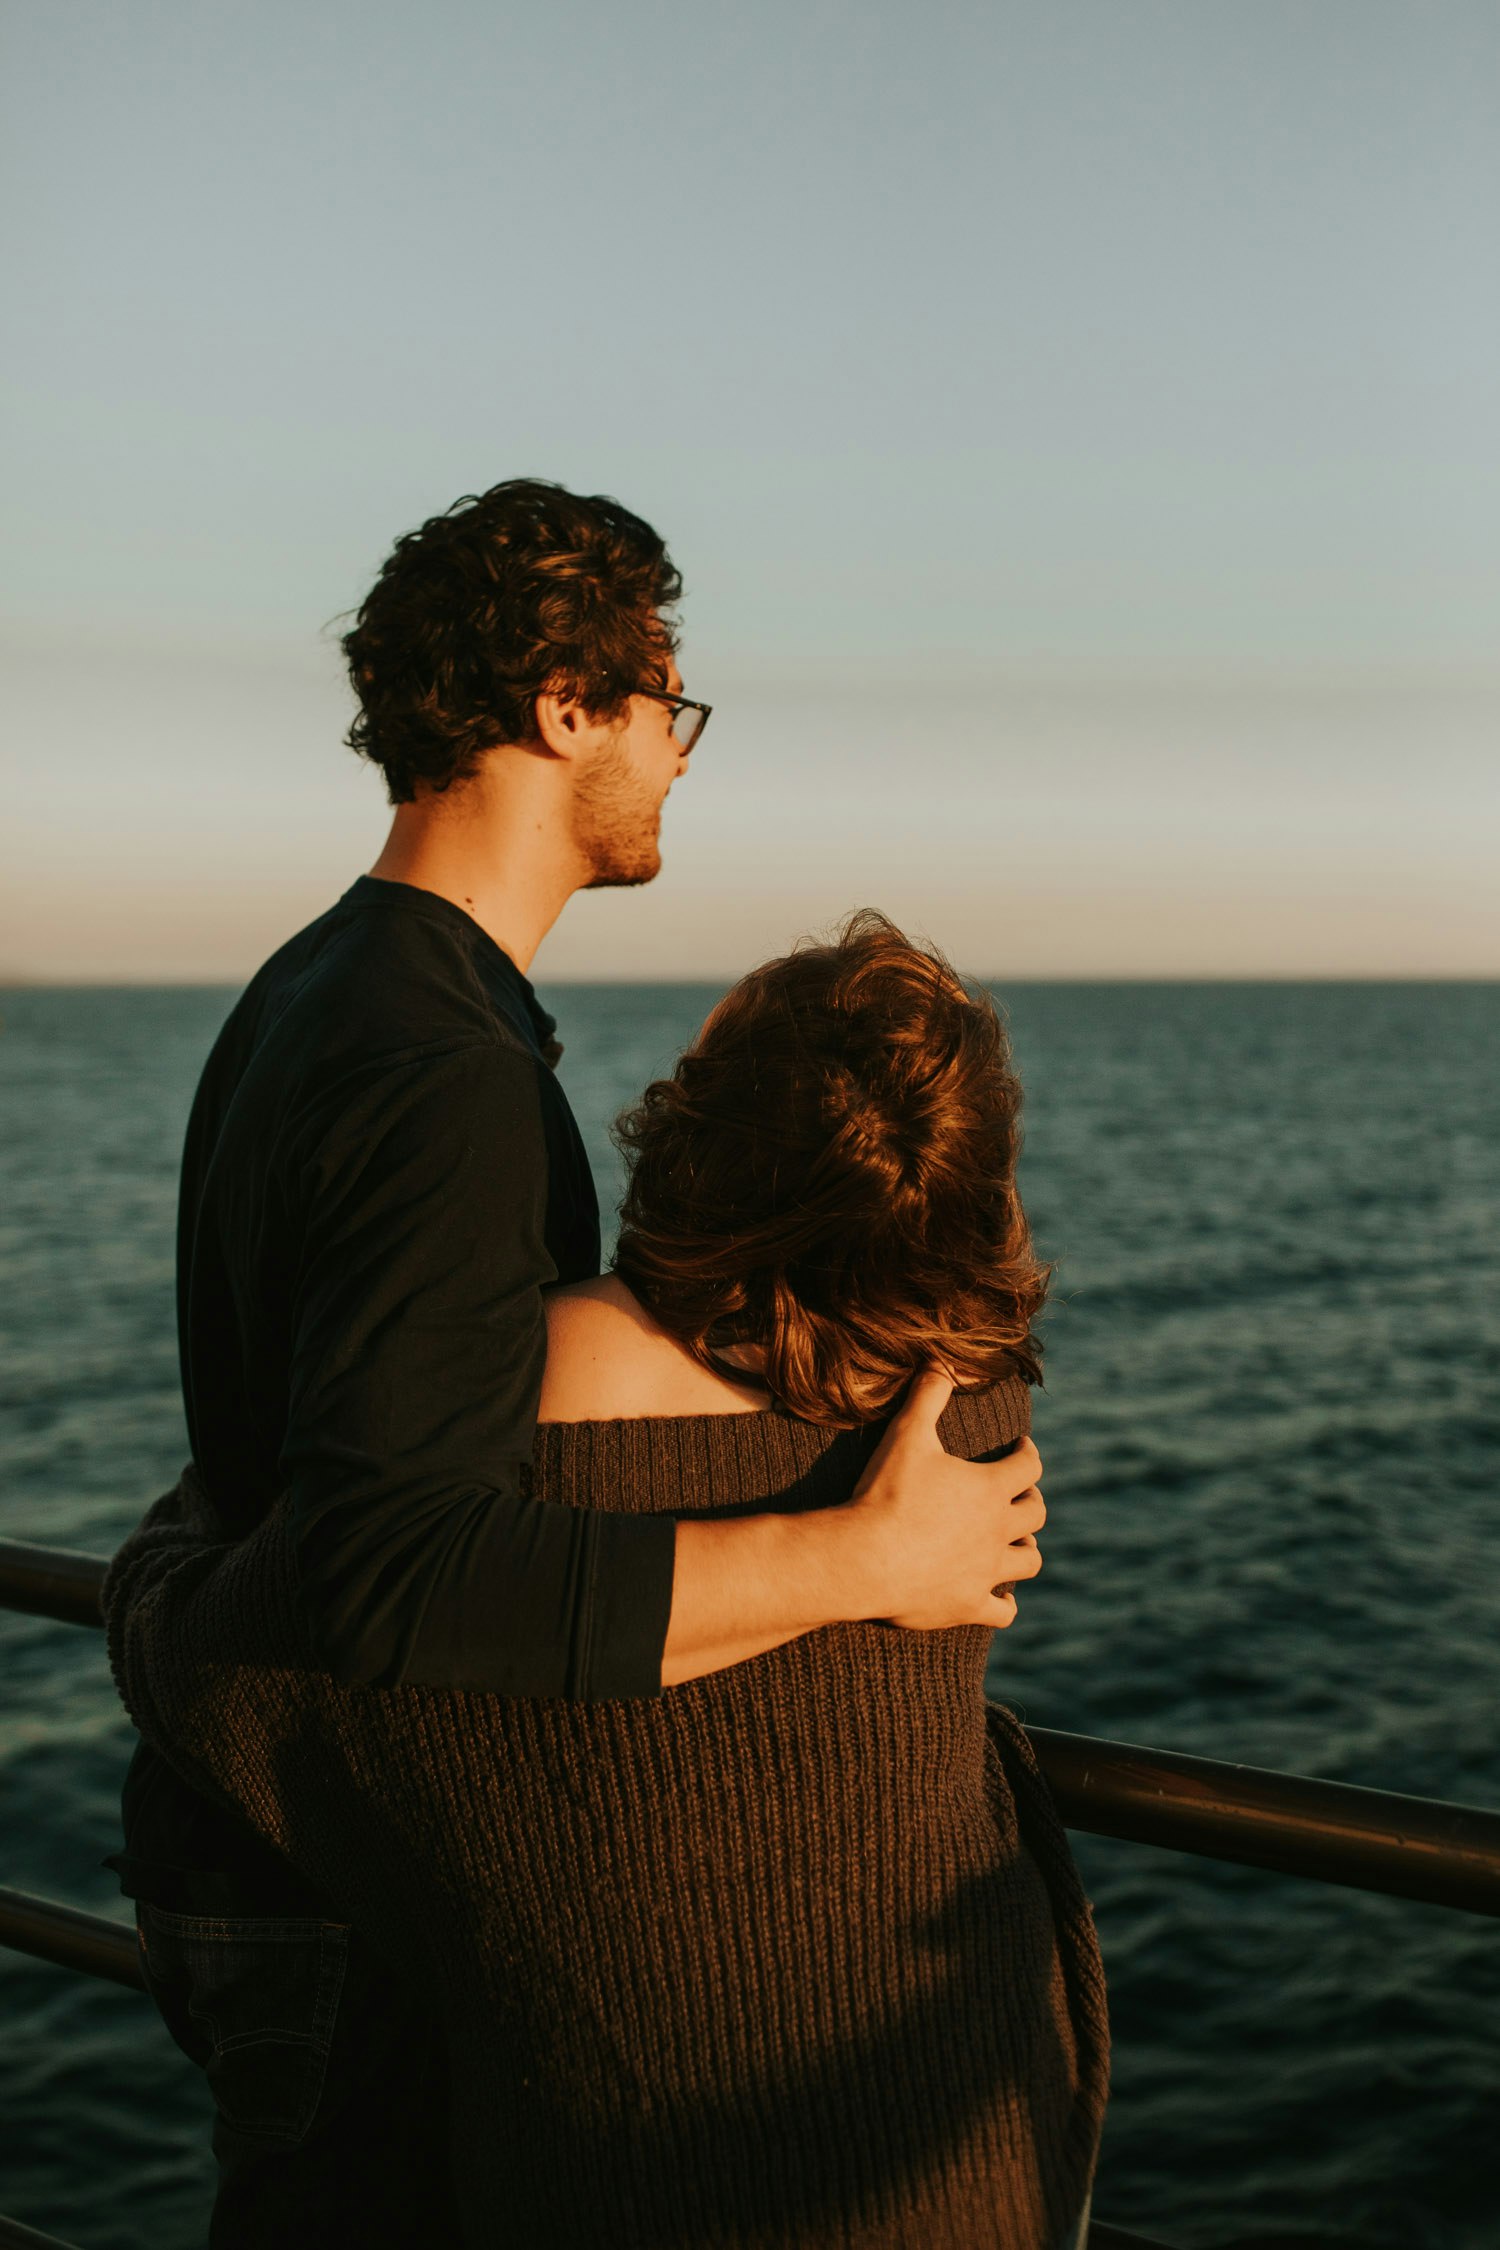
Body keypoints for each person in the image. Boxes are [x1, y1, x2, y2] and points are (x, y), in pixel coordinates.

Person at [103, 478, 1057, 2246]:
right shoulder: (448, 1079)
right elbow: (392, 1563)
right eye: (665, 706)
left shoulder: (313, 989)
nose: (681, 755)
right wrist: (866, 1556)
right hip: (333, 1897)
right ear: (567, 706)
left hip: (270, 1843)